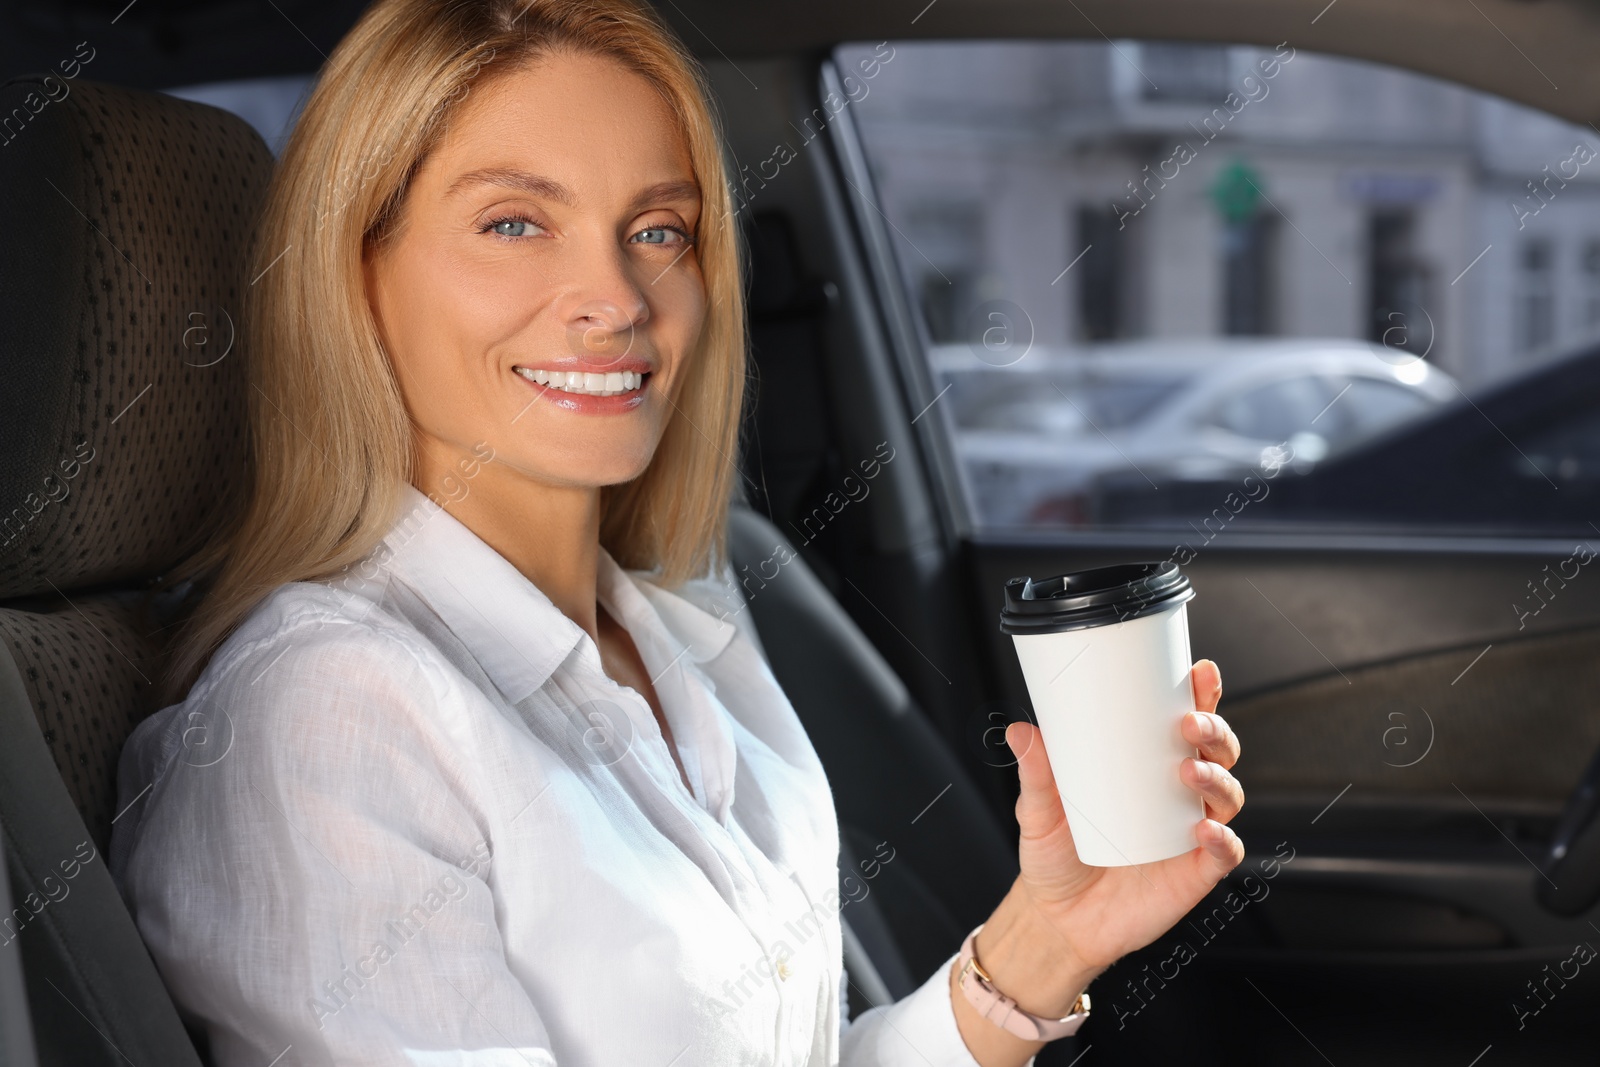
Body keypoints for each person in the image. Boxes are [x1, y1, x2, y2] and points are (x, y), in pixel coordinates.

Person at [108, 0, 1247, 1063]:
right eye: (514, 222)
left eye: (657, 229)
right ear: (353, 276)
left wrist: (1043, 942)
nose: (615, 296)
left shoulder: (681, 635)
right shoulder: (325, 719)